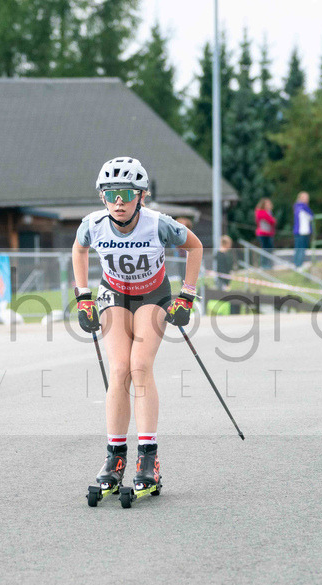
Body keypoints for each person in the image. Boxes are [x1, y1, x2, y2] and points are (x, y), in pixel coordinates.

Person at [73, 156, 203, 502]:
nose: (119, 201)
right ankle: (115, 459)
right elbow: (79, 248)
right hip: (114, 293)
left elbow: (195, 246)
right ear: (103, 196)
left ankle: (149, 459)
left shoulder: (158, 224)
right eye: (112, 192)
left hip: (152, 293)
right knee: (118, 369)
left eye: (127, 193)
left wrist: (186, 296)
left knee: (139, 366)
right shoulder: (93, 223)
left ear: (141, 196)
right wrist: (83, 295)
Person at [292, 191, 313, 269]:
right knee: (301, 249)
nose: (307, 199)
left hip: (299, 231)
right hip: (302, 232)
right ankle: (299, 265)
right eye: (305, 198)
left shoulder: (297, 207)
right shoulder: (303, 207)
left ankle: (297, 264)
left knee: (298, 248)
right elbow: (311, 216)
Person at [254, 198, 276, 265]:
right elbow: (271, 221)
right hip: (263, 234)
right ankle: (265, 265)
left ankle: (269, 264)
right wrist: (273, 220)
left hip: (269, 234)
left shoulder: (269, 212)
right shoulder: (261, 212)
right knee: (265, 249)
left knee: (269, 249)